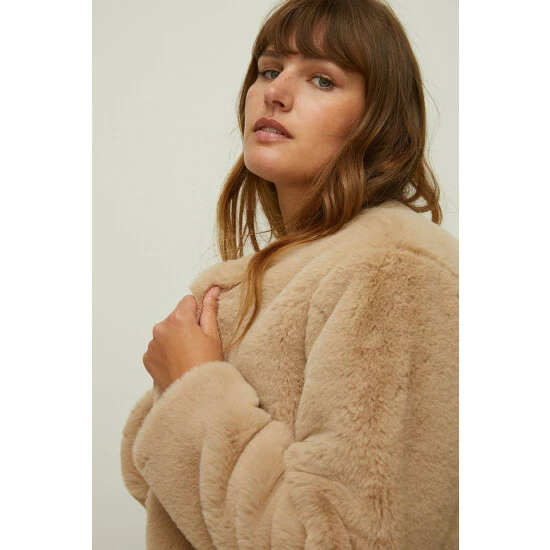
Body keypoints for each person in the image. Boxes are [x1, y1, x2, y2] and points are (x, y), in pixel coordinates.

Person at [120, 0, 458, 548]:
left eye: (323, 80)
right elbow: (156, 487)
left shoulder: (391, 270)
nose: (275, 92)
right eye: (269, 69)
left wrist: (192, 388)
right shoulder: (280, 279)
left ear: (380, 121)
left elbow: (346, 539)